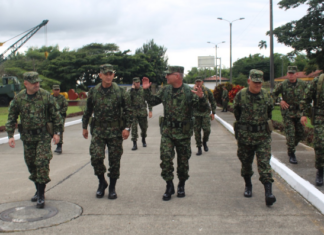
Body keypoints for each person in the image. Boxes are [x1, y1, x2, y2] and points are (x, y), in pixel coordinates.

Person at [142, 65, 208, 201]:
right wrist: (147, 90)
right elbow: (153, 101)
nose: (166, 76)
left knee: (183, 162)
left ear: (177, 76)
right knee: (166, 158)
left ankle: (181, 185)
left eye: (168, 74)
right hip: (168, 132)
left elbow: (203, 109)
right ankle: (169, 185)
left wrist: (201, 98)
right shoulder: (165, 90)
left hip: (183, 133)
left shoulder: (189, 92)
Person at [6, 72, 62, 209]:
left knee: (42, 162)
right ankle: (38, 188)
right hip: (28, 137)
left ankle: (41, 195)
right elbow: (12, 116)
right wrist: (10, 135)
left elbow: (55, 114)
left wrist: (57, 132)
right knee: (31, 164)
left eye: (38, 82)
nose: (37, 84)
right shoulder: (19, 98)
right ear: (26, 83)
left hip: (43, 136)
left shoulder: (45, 95)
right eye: (34, 83)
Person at [82, 64, 133, 200]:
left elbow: (128, 111)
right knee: (96, 157)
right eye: (106, 74)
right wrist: (84, 127)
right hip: (98, 131)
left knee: (114, 160)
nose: (109, 76)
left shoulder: (120, 91)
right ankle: (102, 182)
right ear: (100, 76)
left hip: (115, 131)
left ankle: (112, 187)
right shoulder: (94, 91)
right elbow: (87, 110)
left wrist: (127, 128)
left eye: (111, 74)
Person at [233, 69, 276, 206]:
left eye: (260, 82)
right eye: (255, 82)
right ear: (249, 81)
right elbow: (237, 113)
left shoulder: (267, 96)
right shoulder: (241, 95)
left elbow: (269, 113)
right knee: (246, 163)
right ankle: (248, 185)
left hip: (262, 136)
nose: (258, 85)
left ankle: (268, 193)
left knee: (264, 164)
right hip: (246, 137)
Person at [272, 66, 308, 164]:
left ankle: (291, 146)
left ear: (296, 74)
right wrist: (280, 101)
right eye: (289, 73)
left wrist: (305, 114)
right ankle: (291, 153)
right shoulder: (283, 84)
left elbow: (308, 98)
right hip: (287, 112)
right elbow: (274, 94)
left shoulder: (303, 84)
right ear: (287, 74)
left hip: (299, 112)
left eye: (293, 73)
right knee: (290, 134)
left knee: (300, 133)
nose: (291, 75)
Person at [300, 73, 324, 186]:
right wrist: (304, 114)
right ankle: (320, 170)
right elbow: (306, 98)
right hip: (321, 117)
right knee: (320, 144)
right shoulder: (318, 81)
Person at [193, 76, 216, 155]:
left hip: (205, 112)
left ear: (202, 82)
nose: (198, 83)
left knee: (207, 130)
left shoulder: (207, 90)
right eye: (197, 82)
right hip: (196, 114)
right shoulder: (192, 91)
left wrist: (213, 112)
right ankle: (199, 148)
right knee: (197, 132)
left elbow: (212, 101)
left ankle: (205, 142)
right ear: (195, 83)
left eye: (200, 82)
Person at [128, 77, 153, 150]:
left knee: (144, 128)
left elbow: (149, 100)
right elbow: (128, 99)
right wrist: (132, 90)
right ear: (133, 83)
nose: (138, 84)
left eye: (139, 82)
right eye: (136, 83)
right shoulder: (130, 91)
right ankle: (134, 144)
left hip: (142, 111)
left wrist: (150, 111)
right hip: (134, 112)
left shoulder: (143, 90)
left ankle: (143, 139)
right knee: (134, 129)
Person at [52, 84, 68, 154]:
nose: (56, 91)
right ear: (53, 90)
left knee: (59, 131)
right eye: (55, 90)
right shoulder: (50, 98)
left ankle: (59, 146)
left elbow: (65, 106)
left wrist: (60, 113)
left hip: (60, 117)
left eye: (57, 90)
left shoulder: (62, 98)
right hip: (52, 117)